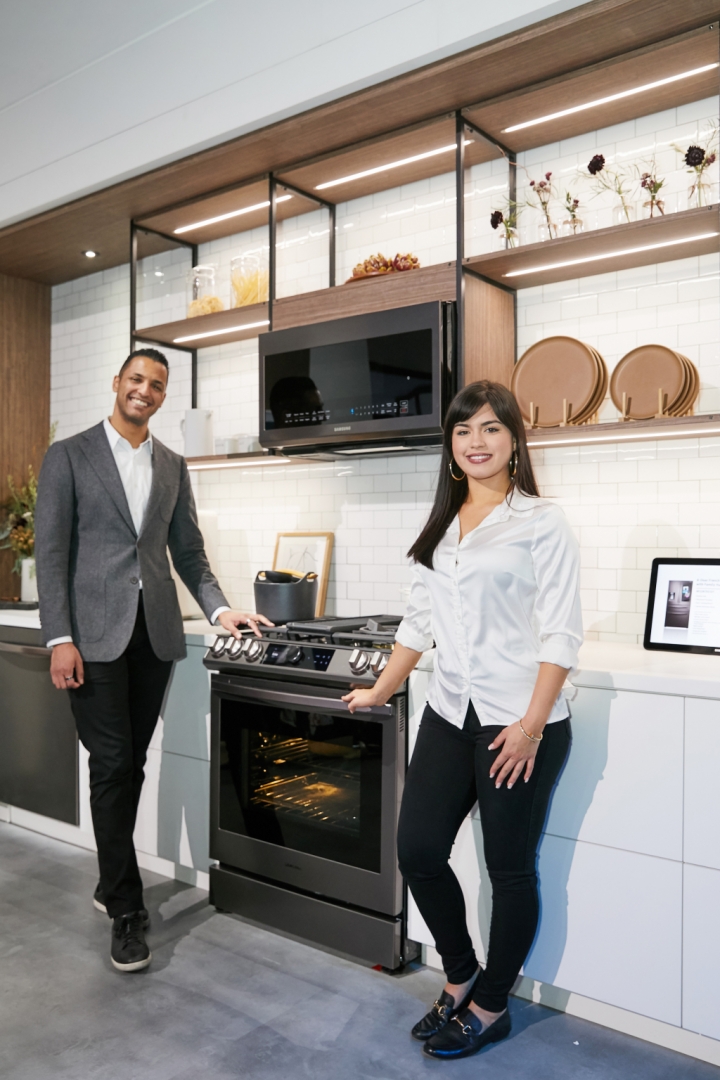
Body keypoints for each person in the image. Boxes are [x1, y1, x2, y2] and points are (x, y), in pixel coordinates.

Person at [343, 380, 582, 1061]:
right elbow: (418, 625)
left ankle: (491, 1004)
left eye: (490, 428)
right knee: (418, 850)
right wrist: (380, 690)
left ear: (514, 441)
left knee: (509, 870)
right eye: (463, 430)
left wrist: (531, 727)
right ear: (450, 445)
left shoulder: (542, 521)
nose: (476, 442)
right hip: (450, 713)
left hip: (519, 722)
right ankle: (459, 975)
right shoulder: (440, 528)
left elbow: (561, 634)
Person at [35, 348, 272, 973]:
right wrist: (59, 637)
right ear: (117, 383)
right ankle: (125, 908)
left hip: (154, 635)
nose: (145, 390)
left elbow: (188, 552)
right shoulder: (69, 455)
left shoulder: (171, 463)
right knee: (113, 763)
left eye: (157, 385)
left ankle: (109, 879)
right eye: (137, 379)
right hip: (91, 637)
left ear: (164, 396)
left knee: (130, 763)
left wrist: (221, 610)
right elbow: (51, 553)